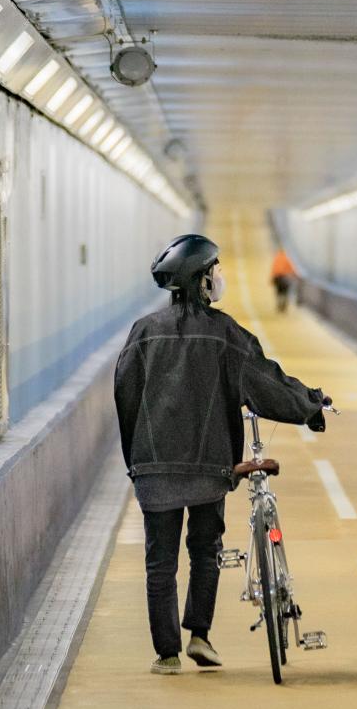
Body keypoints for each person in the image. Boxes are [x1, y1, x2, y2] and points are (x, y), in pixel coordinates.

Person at [115, 234, 331, 675]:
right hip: (209, 467)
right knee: (204, 549)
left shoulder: (143, 333)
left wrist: (137, 461)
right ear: (201, 279)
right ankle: (200, 636)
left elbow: (125, 397)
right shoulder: (224, 333)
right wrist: (309, 405)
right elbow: (265, 383)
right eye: (215, 269)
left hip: (154, 468)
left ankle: (167, 654)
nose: (219, 276)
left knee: (160, 561)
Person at [269, 247, 298, 313]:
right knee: (285, 292)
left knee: (279, 292)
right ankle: (283, 305)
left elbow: (274, 268)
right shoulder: (289, 257)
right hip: (286, 278)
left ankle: (280, 304)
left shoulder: (277, 257)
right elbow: (292, 268)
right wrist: (294, 275)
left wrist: (272, 278)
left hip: (278, 277)